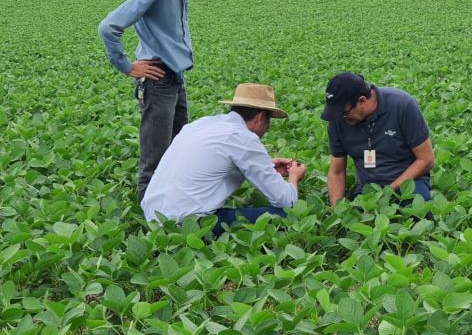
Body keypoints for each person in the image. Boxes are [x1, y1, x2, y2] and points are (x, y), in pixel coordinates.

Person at [98, 0, 219, 200]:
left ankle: (176, 204)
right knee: (156, 157)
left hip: (174, 73)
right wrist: (127, 66)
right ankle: (150, 212)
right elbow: (108, 27)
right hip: (158, 78)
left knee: (179, 146)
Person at [141, 83, 306, 234]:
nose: (266, 129)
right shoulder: (244, 138)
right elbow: (287, 202)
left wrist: (267, 167)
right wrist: (293, 177)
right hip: (186, 226)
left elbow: (214, 164)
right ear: (260, 117)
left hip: (153, 220)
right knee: (284, 216)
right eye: (268, 123)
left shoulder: (200, 124)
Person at [321, 72, 435, 206]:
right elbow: (337, 171)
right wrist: (337, 211)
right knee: (358, 217)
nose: (340, 118)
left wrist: (389, 191)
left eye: (344, 113)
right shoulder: (338, 119)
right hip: (369, 189)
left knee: (416, 208)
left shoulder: (402, 105)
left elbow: (426, 159)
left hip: (409, 182)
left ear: (362, 100)